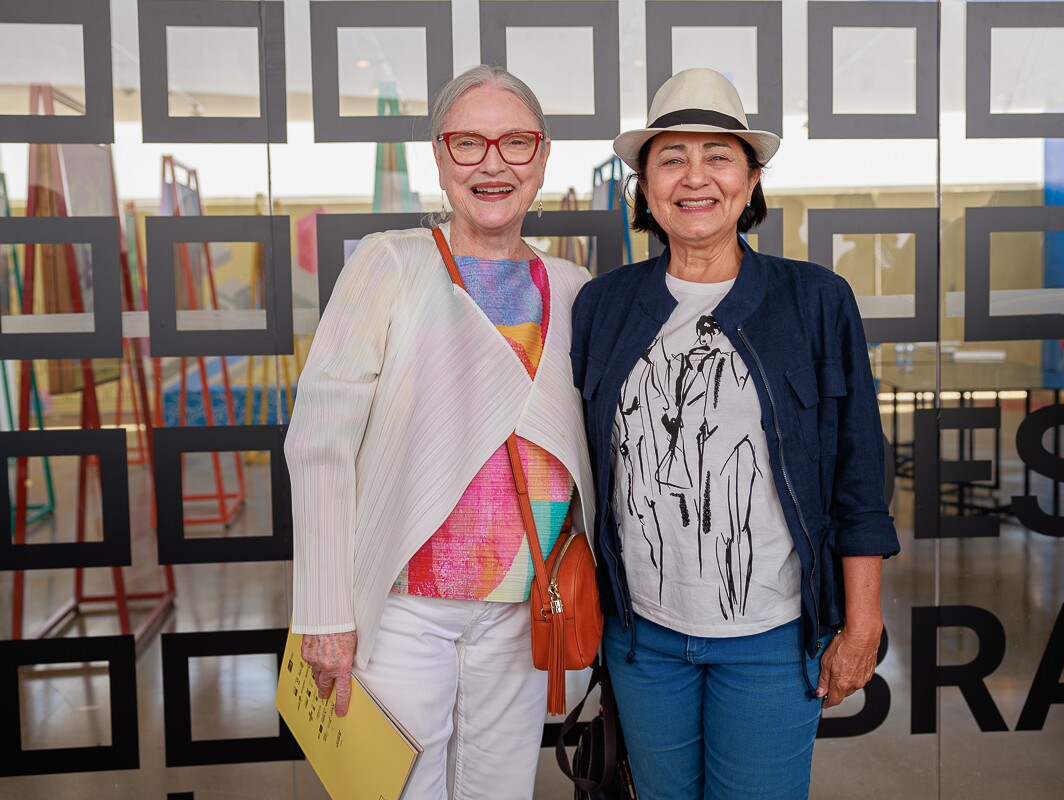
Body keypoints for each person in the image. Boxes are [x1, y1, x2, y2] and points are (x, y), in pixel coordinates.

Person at [570, 68, 899, 799]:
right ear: (645, 187)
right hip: (642, 639)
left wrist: (862, 620)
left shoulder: (814, 300)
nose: (696, 177)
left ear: (750, 183)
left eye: (718, 156)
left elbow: (858, 473)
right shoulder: (603, 306)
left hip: (771, 639)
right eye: (671, 158)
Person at [286, 65, 594, 800]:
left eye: (516, 142)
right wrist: (325, 611)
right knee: (397, 793)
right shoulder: (387, 263)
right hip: (402, 607)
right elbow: (320, 443)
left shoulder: (577, 287)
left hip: (527, 606)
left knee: (500, 792)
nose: (493, 163)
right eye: (468, 142)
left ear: (543, 157)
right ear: (438, 157)